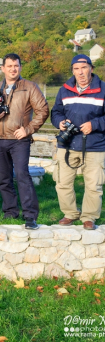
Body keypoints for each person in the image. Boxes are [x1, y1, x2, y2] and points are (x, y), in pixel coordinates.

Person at [0, 53, 49, 230]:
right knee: (4, 178)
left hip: (19, 140)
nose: (13, 69)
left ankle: (30, 215)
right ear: (3, 68)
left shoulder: (30, 87)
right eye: (10, 66)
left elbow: (43, 110)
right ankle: (10, 211)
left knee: (22, 176)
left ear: (20, 67)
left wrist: (28, 130)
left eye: (16, 65)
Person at [51, 55, 105, 231]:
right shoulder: (64, 89)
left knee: (93, 185)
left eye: (83, 68)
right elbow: (56, 111)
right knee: (62, 182)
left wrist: (95, 124)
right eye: (76, 69)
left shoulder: (103, 89)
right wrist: (59, 122)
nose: (80, 72)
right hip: (67, 144)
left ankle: (89, 217)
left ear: (91, 68)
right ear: (72, 70)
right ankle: (70, 213)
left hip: (95, 145)